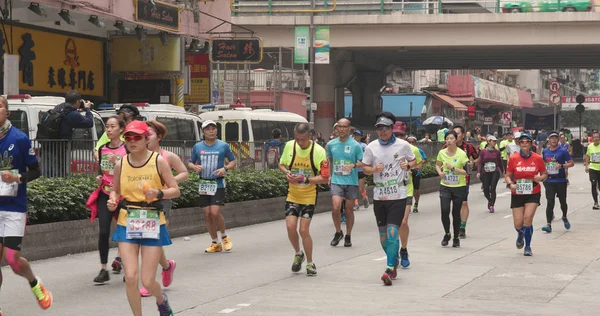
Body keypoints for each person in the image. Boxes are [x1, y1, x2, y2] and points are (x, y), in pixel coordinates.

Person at [107, 121, 179, 315]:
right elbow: (115, 191)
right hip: (127, 220)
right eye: (128, 138)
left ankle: (161, 299)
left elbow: (175, 190)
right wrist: (113, 200)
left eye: (137, 137)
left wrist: (158, 193)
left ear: (147, 139)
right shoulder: (121, 164)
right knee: (130, 277)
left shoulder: (158, 161)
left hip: (152, 221)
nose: (132, 141)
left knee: (147, 281)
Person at [0, 96, 51, 312]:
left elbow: (36, 171)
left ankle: (34, 282)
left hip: (13, 207)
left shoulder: (19, 139)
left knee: (11, 259)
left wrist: (17, 179)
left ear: (7, 111)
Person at [361, 112, 415, 286]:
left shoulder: (403, 145)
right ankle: (394, 257)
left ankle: (389, 268)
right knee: (383, 238)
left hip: (398, 195)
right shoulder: (371, 147)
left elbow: (413, 162)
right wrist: (374, 169)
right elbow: (365, 168)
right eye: (379, 128)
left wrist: (408, 165)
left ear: (392, 129)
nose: (382, 131)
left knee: (393, 233)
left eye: (385, 128)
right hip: (380, 196)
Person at [138, 120, 189, 296]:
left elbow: (184, 172)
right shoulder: (137, 156)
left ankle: (148, 281)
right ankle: (167, 266)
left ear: (159, 137)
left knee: (152, 239)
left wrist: (170, 184)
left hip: (162, 199)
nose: (146, 137)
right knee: (149, 239)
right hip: (140, 201)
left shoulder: (167, 157)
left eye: (150, 134)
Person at [278, 123, 328, 276]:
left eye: (303, 140)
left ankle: (310, 263)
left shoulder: (318, 151)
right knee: (290, 227)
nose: (300, 142)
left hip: (309, 197)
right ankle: (298, 253)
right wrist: (287, 173)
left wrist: (305, 180)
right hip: (292, 195)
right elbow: (281, 164)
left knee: (304, 230)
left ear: (310, 136)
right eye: (297, 139)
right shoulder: (289, 146)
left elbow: (325, 178)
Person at [188, 120, 237, 253]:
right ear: (203, 132)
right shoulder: (197, 147)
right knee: (207, 213)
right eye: (208, 129)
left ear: (216, 131)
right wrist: (194, 167)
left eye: (213, 128)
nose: (211, 131)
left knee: (215, 211)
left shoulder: (223, 146)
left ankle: (224, 236)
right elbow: (190, 162)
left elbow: (233, 161)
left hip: (218, 183)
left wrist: (225, 168)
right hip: (203, 183)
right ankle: (215, 242)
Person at [92, 115, 127, 283]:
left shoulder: (127, 149)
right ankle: (103, 268)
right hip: (106, 193)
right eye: (107, 126)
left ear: (121, 129)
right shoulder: (102, 149)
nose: (109, 129)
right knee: (104, 231)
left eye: (113, 126)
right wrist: (99, 178)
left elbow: (133, 171)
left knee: (125, 232)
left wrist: (119, 161)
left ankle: (128, 268)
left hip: (124, 195)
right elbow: (101, 171)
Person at [504, 133, 547, 256]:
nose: (524, 144)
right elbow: (507, 175)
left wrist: (540, 178)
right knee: (518, 223)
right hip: (517, 192)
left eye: (526, 142)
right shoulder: (514, 158)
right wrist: (510, 184)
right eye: (522, 142)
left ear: (530, 143)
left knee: (528, 218)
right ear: (519, 143)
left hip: (533, 192)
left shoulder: (537, 158)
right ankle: (520, 233)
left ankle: (527, 246)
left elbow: (544, 173)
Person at [327, 118, 363, 247]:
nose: (341, 129)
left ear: (349, 128)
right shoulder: (331, 144)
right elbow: (330, 160)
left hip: (351, 181)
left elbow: (362, 162)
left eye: (344, 127)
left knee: (349, 209)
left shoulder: (355, 145)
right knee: (336, 206)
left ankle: (348, 235)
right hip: (337, 180)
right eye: (339, 127)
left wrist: (352, 165)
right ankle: (338, 232)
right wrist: (329, 176)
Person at [42, 90, 94, 177]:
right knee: (59, 173)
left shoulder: (59, 108)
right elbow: (89, 123)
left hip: (48, 145)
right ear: (78, 101)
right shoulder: (72, 114)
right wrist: (87, 109)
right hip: (60, 147)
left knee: (48, 173)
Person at [392, 124, 423, 268]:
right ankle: (393, 252)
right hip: (389, 191)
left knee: (403, 222)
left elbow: (418, 162)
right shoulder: (383, 149)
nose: (399, 138)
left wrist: (410, 168)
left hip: (406, 189)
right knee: (391, 226)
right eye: (396, 135)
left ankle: (403, 249)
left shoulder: (412, 149)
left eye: (401, 135)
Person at [442, 125, 479, 239]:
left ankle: (462, 227)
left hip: (463, 180)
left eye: (457, 134)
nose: (454, 136)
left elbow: (478, 157)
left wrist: (473, 163)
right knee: (447, 207)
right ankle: (449, 230)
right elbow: (439, 161)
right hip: (448, 181)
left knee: (463, 203)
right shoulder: (445, 147)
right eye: (453, 134)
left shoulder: (468, 147)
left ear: (462, 135)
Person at [436, 131, 470, 248]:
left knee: (456, 213)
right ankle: (447, 233)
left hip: (459, 187)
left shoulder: (462, 154)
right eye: (447, 139)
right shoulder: (441, 152)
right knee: (444, 210)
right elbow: (437, 164)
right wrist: (440, 172)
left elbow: (467, 171)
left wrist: (454, 168)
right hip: (445, 186)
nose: (448, 141)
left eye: (451, 138)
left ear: (456, 140)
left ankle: (456, 237)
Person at [541, 131, 574, 233]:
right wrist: (543, 173)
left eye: (556, 138)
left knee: (562, 201)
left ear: (558, 140)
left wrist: (562, 166)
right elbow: (542, 163)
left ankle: (564, 217)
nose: (554, 140)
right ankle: (548, 224)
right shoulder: (545, 151)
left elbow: (571, 163)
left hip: (560, 180)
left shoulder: (563, 151)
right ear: (549, 140)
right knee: (550, 202)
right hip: (549, 180)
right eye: (552, 138)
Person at [477, 135, 504, 213]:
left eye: (495, 141)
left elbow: (500, 162)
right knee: (486, 189)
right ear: (489, 142)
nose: (494, 143)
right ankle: (489, 200)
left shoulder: (497, 152)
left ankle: (492, 205)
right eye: (493, 141)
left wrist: (503, 171)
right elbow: (480, 163)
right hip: (485, 172)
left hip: (494, 172)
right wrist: (479, 172)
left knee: (492, 188)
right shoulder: (483, 152)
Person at [407, 136, 426, 213]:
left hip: (416, 173)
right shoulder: (404, 150)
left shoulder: (418, 150)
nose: (411, 143)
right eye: (409, 142)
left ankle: (416, 204)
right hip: (407, 174)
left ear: (415, 142)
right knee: (407, 190)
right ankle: (408, 206)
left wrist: (416, 168)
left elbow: (424, 159)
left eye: (413, 142)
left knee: (416, 190)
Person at [352, 130, 370, 210]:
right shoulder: (351, 145)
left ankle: (365, 197)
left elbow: (367, 155)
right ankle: (356, 204)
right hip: (353, 170)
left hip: (361, 170)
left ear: (361, 136)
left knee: (360, 188)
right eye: (355, 135)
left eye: (358, 135)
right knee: (354, 188)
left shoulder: (363, 146)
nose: (356, 136)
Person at [585, 130, 600, 210]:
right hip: (593, 167)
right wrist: (587, 165)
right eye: (594, 137)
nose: (596, 139)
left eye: (597, 137)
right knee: (593, 185)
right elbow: (587, 155)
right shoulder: (590, 146)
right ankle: (595, 202)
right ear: (592, 138)